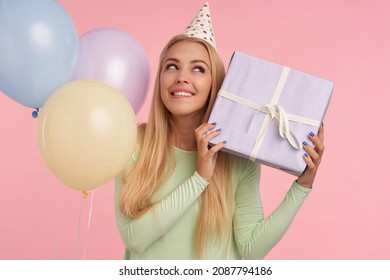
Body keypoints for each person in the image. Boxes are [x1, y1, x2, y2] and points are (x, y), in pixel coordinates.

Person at [115, 3, 325, 260]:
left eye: (198, 69)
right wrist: (199, 178)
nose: (181, 77)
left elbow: (251, 250)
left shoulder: (237, 156)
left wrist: (302, 186)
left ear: (215, 84)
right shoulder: (133, 143)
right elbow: (134, 239)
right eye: (171, 66)